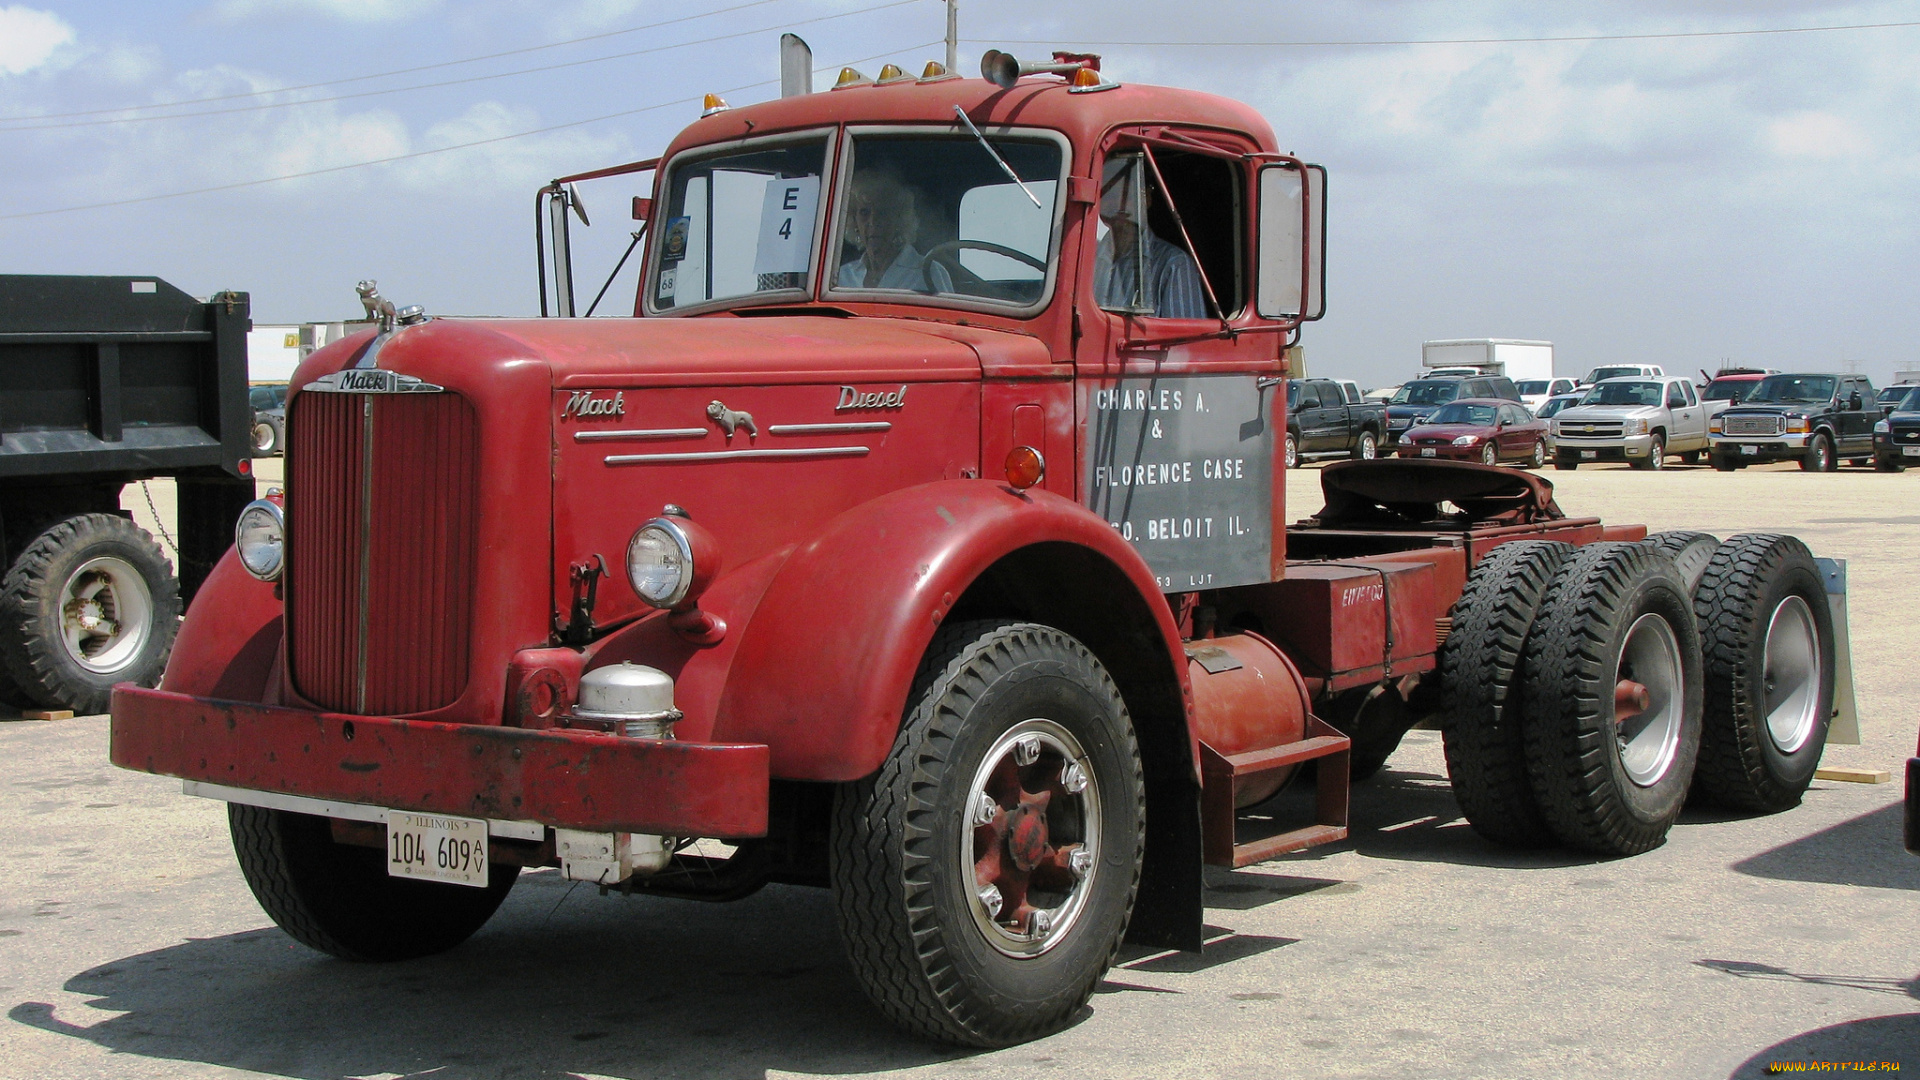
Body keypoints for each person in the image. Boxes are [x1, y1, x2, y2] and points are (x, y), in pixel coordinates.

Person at [1093, 158, 1208, 319]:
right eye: (1112, 192)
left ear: (1147, 198)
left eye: (1130, 193)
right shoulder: (1085, 260)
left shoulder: (1174, 264)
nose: (1121, 202)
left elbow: (1183, 341)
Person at [837, 170, 952, 294]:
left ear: (899, 219)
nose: (873, 221)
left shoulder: (929, 272)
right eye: (864, 212)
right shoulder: (842, 276)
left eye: (883, 212)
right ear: (854, 220)